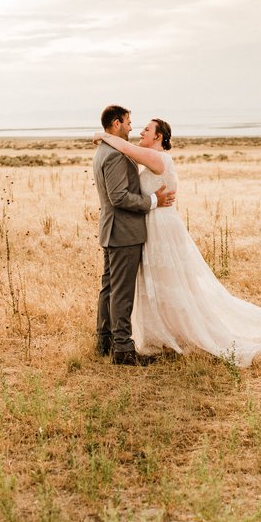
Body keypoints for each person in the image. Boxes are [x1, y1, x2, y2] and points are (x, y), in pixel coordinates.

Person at [94, 118, 261, 367]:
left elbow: (128, 149)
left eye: (147, 129)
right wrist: (107, 137)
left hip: (160, 226)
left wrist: (105, 136)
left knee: (173, 284)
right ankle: (160, 332)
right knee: (157, 285)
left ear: (159, 137)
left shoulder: (159, 158)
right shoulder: (146, 154)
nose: (139, 130)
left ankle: (185, 331)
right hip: (149, 225)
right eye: (135, 125)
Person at [93, 105, 176, 366]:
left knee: (109, 288)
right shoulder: (116, 155)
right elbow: (119, 197)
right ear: (116, 123)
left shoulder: (104, 150)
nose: (132, 127)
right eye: (128, 122)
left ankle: (104, 341)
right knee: (122, 292)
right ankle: (123, 350)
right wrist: (152, 200)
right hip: (124, 231)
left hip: (112, 229)